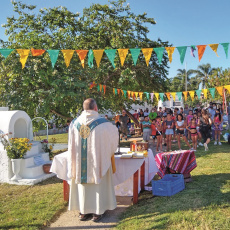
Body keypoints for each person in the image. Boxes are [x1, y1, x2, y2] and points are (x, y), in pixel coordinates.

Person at [68, 98, 118, 222]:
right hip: (97, 162)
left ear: (83, 108)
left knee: (83, 187)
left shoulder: (74, 123)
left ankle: (83, 212)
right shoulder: (104, 123)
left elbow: (70, 144)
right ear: (95, 108)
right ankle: (97, 212)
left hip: (81, 164)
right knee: (98, 185)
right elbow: (113, 139)